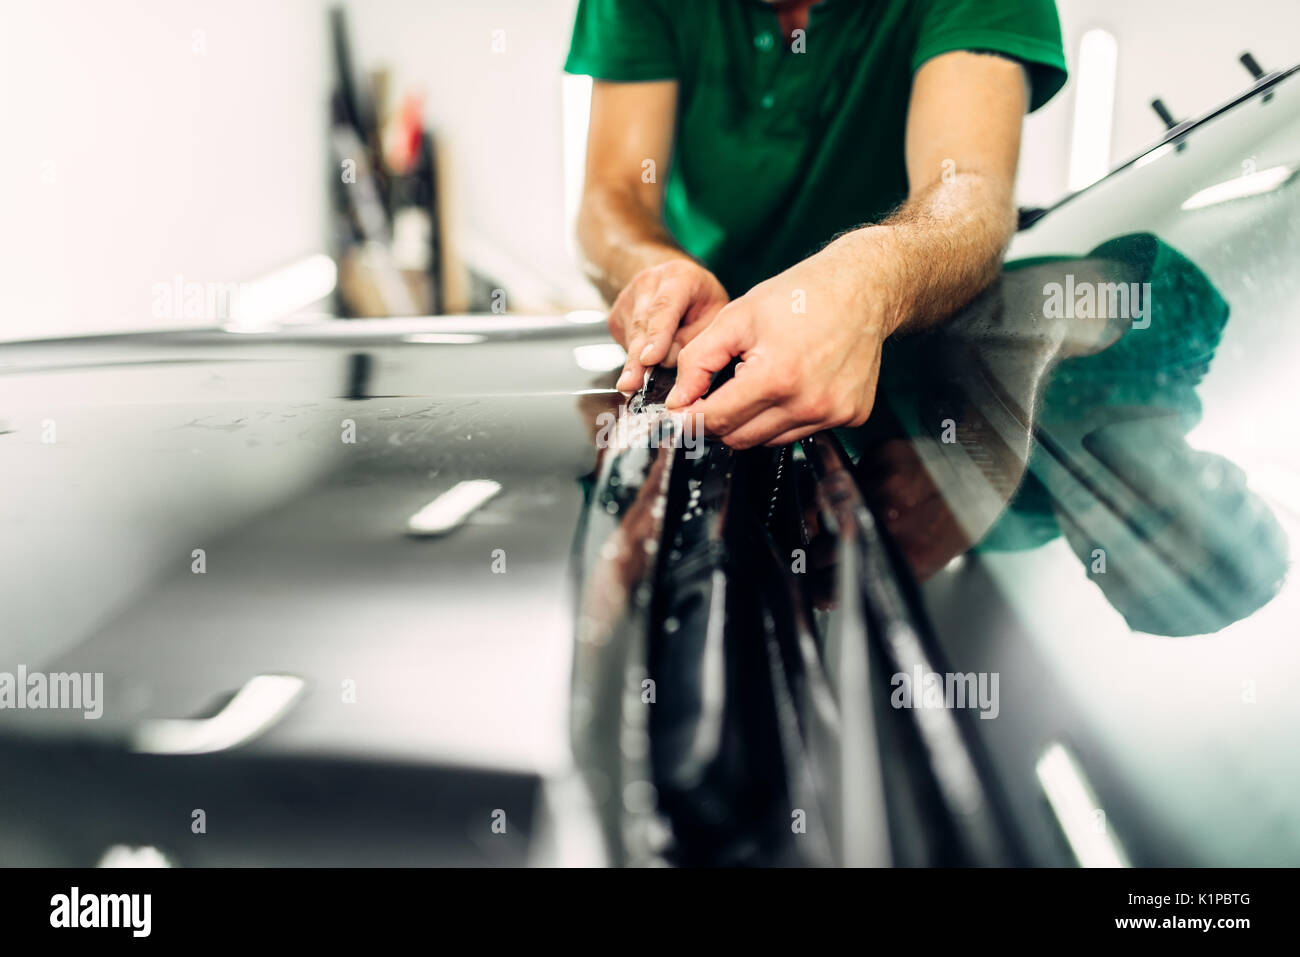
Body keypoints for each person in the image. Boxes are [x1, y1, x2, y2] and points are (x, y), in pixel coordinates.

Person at [566, 0, 1067, 448]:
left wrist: (869, 282)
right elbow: (615, 193)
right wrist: (656, 271)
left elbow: (969, 186)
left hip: (916, 388)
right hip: (694, 354)